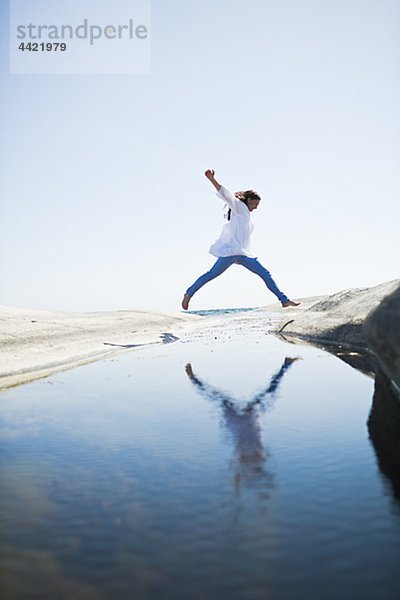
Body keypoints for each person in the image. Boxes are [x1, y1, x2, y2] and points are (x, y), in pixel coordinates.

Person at [181, 169, 300, 310]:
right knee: (212, 274)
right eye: (255, 204)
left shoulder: (246, 216)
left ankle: (284, 300)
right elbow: (226, 194)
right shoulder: (239, 206)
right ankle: (189, 294)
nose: (255, 208)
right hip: (231, 252)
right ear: (248, 200)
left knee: (265, 273)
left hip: (243, 254)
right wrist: (211, 179)